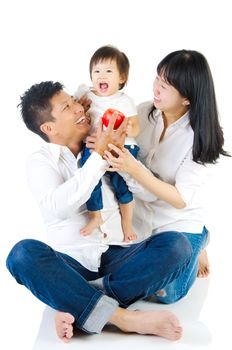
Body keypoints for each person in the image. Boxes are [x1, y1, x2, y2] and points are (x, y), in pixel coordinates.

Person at [6, 81, 193, 342]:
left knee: (178, 246)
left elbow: (149, 195)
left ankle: (76, 301)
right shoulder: (41, 161)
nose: (78, 108)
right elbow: (59, 207)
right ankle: (123, 319)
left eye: (74, 100)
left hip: (116, 256)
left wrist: (122, 159)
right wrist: (98, 157)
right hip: (71, 263)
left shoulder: (103, 141)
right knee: (22, 254)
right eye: (67, 106)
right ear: (49, 128)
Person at [103, 49, 230, 302]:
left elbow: (181, 199)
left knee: (166, 293)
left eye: (166, 86)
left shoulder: (202, 136)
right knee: (108, 264)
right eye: (157, 79)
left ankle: (199, 238)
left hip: (178, 221)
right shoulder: (142, 113)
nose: (156, 89)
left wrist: (134, 168)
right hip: (140, 219)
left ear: (187, 99)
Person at [75, 45, 140, 242]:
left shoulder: (124, 100)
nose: (101, 76)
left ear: (121, 78)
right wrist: (80, 103)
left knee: (121, 184)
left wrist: (130, 130)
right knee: (88, 174)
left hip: (122, 146)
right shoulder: (86, 94)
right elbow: (72, 107)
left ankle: (127, 223)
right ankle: (96, 216)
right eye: (96, 71)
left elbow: (136, 126)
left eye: (108, 71)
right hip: (95, 146)